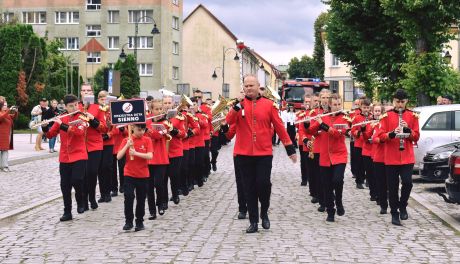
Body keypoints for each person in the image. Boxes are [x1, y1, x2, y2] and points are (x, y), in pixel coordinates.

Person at [226, 74, 297, 233]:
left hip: (263, 152)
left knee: (263, 184)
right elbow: (229, 121)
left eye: (252, 85)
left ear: (258, 87)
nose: (249, 88)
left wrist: (290, 149)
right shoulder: (238, 105)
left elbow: (279, 127)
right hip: (243, 153)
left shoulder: (269, 105)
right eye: (246, 86)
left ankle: (264, 212)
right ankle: (253, 221)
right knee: (249, 187)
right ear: (243, 88)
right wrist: (237, 105)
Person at [378, 89, 420, 226]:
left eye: (402, 102)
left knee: (408, 182)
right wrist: (391, 134)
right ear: (393, 101)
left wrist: (408, 129)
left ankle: (403, 206)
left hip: (407, 156)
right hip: (391, 157)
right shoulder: (386, 116)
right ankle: (394, 213)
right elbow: (380, 136)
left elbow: (417, 136)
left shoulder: (412, 116)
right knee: (393, 186)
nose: (400, 105)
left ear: (406, 101)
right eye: (397, 102)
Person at [42, 94, 87, 221]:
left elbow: (79, 132)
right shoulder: (61, 118)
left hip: (79, 155)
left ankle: (81, 201)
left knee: (77, 180)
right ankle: (67, 212)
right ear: (66, 107)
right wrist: (45, 126)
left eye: (76, 105)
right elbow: (50, 135)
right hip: (65, 157)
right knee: (65, 185)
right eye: (71, 106)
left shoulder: (82, 117)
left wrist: (62, 125)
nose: (74, 108)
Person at [309, 94, 350, 222]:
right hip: (325, 156)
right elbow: (311, 131)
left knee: (337, 180)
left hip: (339, 155)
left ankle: (339, 202)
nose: (337, 107)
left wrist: (323, 125)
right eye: (335, 105)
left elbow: (338, 134)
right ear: (330, 105)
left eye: (339, 104)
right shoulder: (323, 117)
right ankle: (330, 211)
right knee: (326, 185)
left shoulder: (345, 118)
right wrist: (314, 123)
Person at [117, 123, 153, 231]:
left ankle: (139, 221)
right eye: (139, 129)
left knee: (141, 199)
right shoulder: (126, 140)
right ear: (132, 128)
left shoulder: (147, 140)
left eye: (143, 130)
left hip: (143, 174)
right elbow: (119, 156)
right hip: (129, 173)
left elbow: (150, 156)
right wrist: (127, 146)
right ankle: (128, 221)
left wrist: (136, 153)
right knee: (128, 197)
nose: (141, 132)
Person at [79, 84, 108, 211]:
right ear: (80, 93)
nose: (86, 93)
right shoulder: (76, 107)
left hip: (95, 145)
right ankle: (83, 200)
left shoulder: (98, 108)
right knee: (82, 175)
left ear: (92, 93)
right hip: (80, 146)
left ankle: (92, 197)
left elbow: (104, 128)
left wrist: (93, 120)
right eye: (84, 91)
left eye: (89, 91)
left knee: (92, 173)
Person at [146, 99, 170, 219]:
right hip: (148, 158)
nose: (159, 111)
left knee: (159, 183)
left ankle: (160, 203)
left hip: (160, 157)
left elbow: (157, 136)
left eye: (160, 109)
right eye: (156, 109)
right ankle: (152, 211)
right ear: (151, 110)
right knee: (149, 186)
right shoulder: (146, 121)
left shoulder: (165, 123)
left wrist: (147, 129)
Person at [163, 95, 186, 206]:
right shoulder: (158, 116)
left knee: (174, 174)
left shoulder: (179, 117)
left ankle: (175, 194)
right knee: (163, 176)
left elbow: (183, 134)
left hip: (175, 150)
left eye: (169, 103)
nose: (167, 105)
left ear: (173, 104)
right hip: (162, 151)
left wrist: (174, 130)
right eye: (165, 103)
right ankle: (163, 199)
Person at [97, 91, 114, 203]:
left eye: (104, 97)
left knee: (107, 168)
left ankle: (108, 192)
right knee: (99, 169)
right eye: (100, 97)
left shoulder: (111, 110)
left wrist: (109, 134)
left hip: (108, 142)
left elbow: (116, 126)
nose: (103, 99)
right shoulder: (96, 110)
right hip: (98, 142)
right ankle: (102, 193)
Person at [351, 98, 371, 189]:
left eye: (367, 107)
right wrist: (358, 133)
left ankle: (368, 180)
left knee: (368, 164)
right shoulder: (356, 117)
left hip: (368, 144)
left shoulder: (372, 117)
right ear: (360, 107)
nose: (366, 109)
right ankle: (359, 181)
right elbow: (352, 131)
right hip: (359, 144)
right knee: (359, 164)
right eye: (364, 107)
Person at [0, 97, 18, 172]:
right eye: (4, 105)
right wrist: (8, 110)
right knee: (3, 150)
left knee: (5, 150)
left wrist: (16, 112)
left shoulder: (7, 113)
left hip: (7, 135)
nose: (6, 107)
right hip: (1, 135)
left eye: (6, 105)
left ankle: (4, 166)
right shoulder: (1, 113)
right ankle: (4, 166)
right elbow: (1, 118)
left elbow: (14, 117)